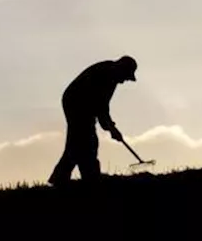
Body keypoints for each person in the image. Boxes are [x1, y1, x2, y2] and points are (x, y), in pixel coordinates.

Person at [48, 55, 137, 186]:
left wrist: (110, 127)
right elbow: (101, 106)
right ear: (121, 69)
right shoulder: (107, 76)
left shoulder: (111, 74)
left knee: (76, 142)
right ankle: (90, 177)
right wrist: (111, 128)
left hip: (82, 103)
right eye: (125, 76)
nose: (123, 81)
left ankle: (61, 178)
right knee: (87, 139)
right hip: (76, 102)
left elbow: (102, 106)